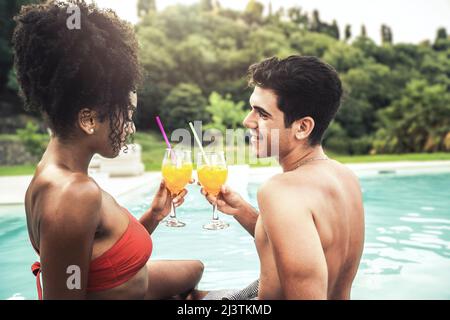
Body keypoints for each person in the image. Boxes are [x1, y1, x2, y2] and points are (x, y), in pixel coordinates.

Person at [14, 0, 203, 300]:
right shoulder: (74, 194)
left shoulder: (53, 172)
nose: (130, 127)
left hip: (136, 286)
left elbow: (101, 256)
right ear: (88, 119)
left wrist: (154, 214)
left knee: (195, 268)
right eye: (125, 114)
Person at [201, 55, 365, 300]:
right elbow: (307, 245)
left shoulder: (280, 190)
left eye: (262, 115)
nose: (248, 121)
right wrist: (243, 211)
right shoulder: (346, 177)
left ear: (302, 127)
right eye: (251, 109)